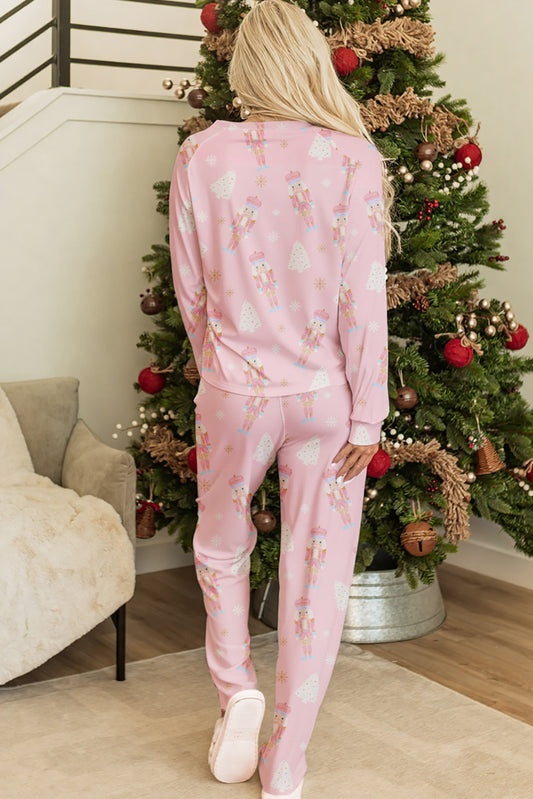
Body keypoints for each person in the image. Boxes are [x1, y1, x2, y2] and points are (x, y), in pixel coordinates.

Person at [169, 1, 395, 796]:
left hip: (235, 390)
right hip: (326, 399)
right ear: (307, 61)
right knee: (316, 572)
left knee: (221, 546)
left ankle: (237, 690)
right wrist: (368, 412)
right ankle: (286, 759)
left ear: (244, 68)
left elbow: (190, 289)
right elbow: (363, 300)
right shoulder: (351, 158)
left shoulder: (202, 153)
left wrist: (219, 366)